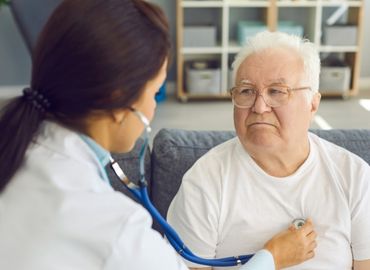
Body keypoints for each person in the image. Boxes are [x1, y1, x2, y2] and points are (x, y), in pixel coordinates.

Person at [0, 1, 316, 269]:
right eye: (155, 91)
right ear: (117, 99)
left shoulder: (20, 148)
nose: (153, 108)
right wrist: (271, 258)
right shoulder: (114, 228)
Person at [167, 31, 370, 270]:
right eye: (246, 91)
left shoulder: (355, 177)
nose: (259, 107)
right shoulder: (204, 182)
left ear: (313, 104)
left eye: (276, 91)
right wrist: (270, 260)